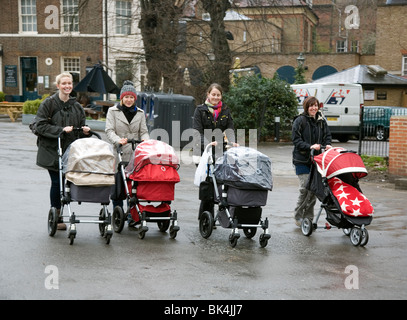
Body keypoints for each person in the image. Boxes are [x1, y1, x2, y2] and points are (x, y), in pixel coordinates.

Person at [36, 72, 91, 230]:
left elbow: (79, 130)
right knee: (56, 182)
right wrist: (60, 130)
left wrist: (85, 131)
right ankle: (57, 215)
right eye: (64, 83)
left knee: (67, 183)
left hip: (70, 151)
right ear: (58, 85)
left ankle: (61, 210)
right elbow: (39, 125)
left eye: (70, 83)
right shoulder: (49, 104)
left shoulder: (77, 107)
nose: (67, 86)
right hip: (52, 150)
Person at [105, 80, 149, 225]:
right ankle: (117, 214)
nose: (129, 100)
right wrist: (118, 140)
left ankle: (132, 215)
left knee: (133, 187)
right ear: (121, 98)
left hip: (135, 153)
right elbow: (109, 130)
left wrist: (146, 142)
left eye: (131, 97)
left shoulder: (140, 113)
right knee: (118, 186)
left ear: (134, 98)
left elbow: (144, 132)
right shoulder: (113, 111)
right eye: (126, 97)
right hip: (119, 152)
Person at [292, 96, 332, 227]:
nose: (314, 108)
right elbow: (296, 140)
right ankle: (298, 216)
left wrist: (327, 145)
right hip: (302, 160)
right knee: (305, 188)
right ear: (306, 107)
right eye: (311, 106)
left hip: (317, 160)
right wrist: (309, 146)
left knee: (314, 190)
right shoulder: (300, 120)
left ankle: (308, 218)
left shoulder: (321, 121)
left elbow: (327, 136)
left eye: (315, 106)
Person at [192, 83, 238, 165]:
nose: (216, 97)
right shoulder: (200, 110)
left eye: (218, 95)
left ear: (221, 96)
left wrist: (232, 142)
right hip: (203, 149)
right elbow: (197, 132)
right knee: (206, 176)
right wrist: (208, 144)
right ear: (208, 94)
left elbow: (230, 129)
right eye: (213, 94)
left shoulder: (225, 110)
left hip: (220, 149)